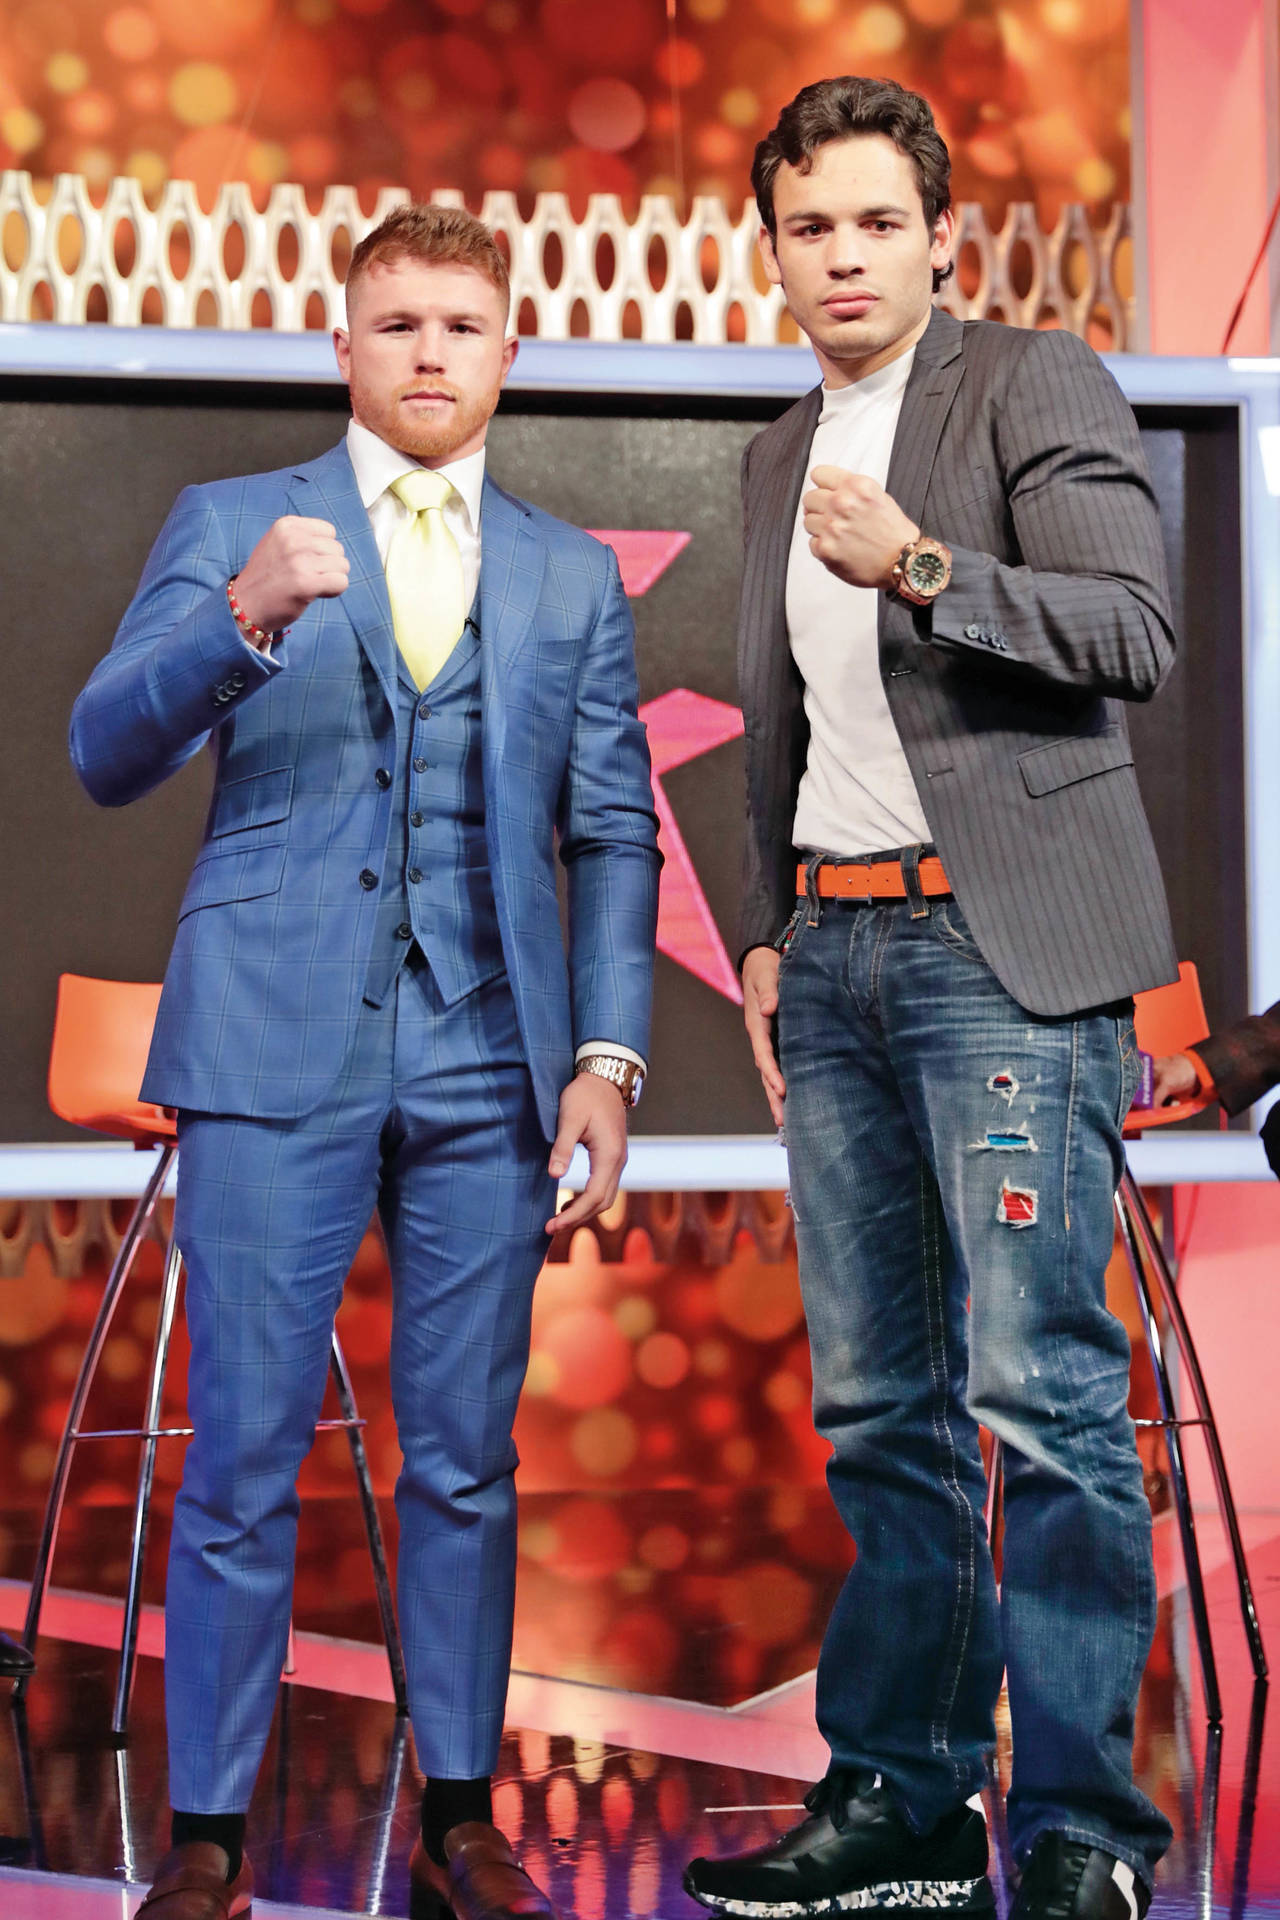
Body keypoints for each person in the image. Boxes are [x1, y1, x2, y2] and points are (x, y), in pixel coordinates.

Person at [70, 203, 660, 1920]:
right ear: (341, 345)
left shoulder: (569, 572)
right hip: (273, 1038)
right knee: (243, 1452)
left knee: (466, 1455)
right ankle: (208, 1838)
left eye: (460, 325)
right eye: (396, 322)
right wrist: (241, 618)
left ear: (508, 353)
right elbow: (105, 749)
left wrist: (607, 1059)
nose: (428, 353)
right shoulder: (234, 523)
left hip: (489, 1053)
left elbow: (614, 828)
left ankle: (461, 1814)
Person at [683, 76, 1177, 1920]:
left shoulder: (1031, 384)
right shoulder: (774, 455)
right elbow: (784, 724)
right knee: (880, 1406)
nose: (845, 256)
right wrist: (766, 929)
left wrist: (922, 565)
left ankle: (1082, 1834)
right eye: (810, 225)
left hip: (999, 958)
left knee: (1039, 1395)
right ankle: (904, 1797)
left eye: (878, 221)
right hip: (836, 962)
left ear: (940, 237)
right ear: (774, 249)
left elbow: (1134, 628)